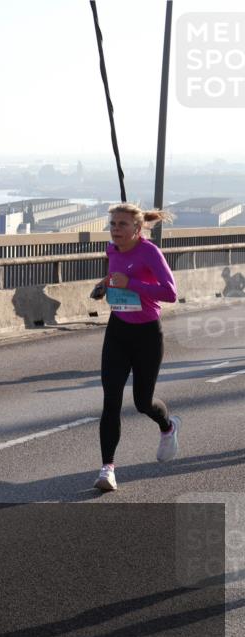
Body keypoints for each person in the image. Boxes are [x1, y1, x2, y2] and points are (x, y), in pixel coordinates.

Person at [90, 204, 180, 491]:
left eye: (122, 224)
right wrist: (104, 285)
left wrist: (133, 283)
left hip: (147, 335)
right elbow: (116, 276)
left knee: (143, 402)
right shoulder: (111, 249)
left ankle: (167, 426)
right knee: (111, 400)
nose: (116, 229)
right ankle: (108, 468)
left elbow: (170, 293)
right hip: (118, 331)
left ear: (137, 229)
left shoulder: (150, 252)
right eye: (113, 223)